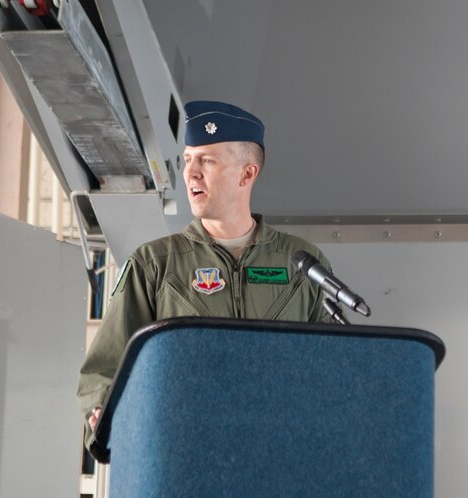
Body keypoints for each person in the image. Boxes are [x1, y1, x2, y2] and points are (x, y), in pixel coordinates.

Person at [77, 100, 336, 450]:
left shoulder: (302, 263)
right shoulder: (155, 264)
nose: (191, 173)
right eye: (188, 160)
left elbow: (335, 364)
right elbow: (103, 371)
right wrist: (102, 412)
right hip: (185, 450)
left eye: (207, 161)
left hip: (281, 451)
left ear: (247, 174)